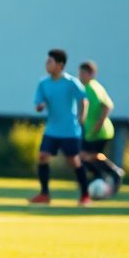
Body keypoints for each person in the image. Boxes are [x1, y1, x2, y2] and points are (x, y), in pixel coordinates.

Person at [29, 49, 90, 205]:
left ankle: (85, 195)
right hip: (52, 129)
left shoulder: (71, 82)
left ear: (60, 65)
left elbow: (84, 99)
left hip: (70, 130)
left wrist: (82, 117)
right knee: (42, 156)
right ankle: (44, 194)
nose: (47, 64)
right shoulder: (43, 83)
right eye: (47, 61)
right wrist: (40, 106)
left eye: (50, 62)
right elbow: (39, 101)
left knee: (74, 161)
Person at [77, 61, 124, 193]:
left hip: (98, 131)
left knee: (85, 156)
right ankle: (102, 176)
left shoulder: (91, 88)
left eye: (83, 73)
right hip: (92, 131)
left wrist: (98, 125)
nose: (80, 76)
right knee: (86, 157)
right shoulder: (92, 86)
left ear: (90, 74)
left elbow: (107, 106)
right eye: (79, 73)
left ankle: (112, 173)